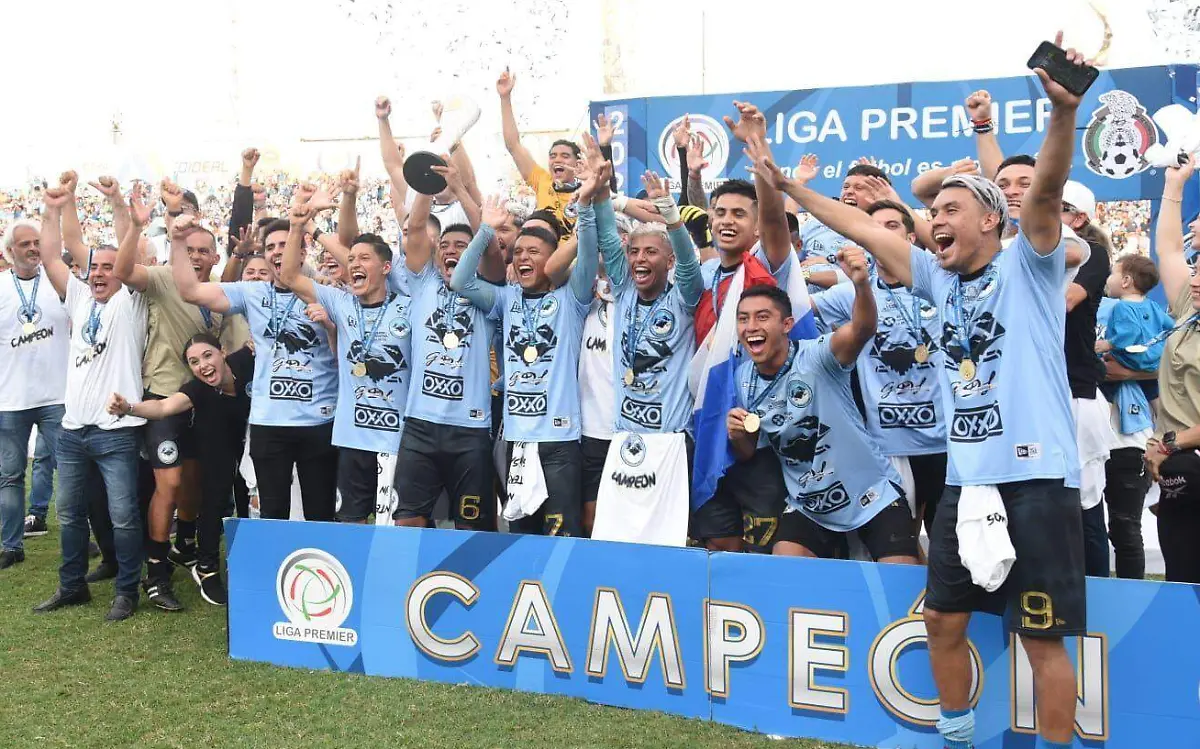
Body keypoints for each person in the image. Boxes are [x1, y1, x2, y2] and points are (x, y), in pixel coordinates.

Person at [764, 34, 1089, 748]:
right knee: (941, 621)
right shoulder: (936, 277)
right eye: (931, 209)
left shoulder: (1027, 266)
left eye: (950, 208)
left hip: (1035, 483)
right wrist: (787, 186)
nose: (934, 218)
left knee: (1040, 642)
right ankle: (956, 736)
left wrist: (1061, 115)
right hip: (965, 487)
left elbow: (1046, 189)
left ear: (991, 222)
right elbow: (851, 222)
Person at [450, 165, 603, 537]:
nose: (523, 258)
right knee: (521, 536)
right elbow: (460, 280)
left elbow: (587, 250)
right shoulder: (505, 299)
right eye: (518, 251)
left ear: (552, 261)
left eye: (534, 252)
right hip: (518, 440)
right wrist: (485, 228)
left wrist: (583, 206)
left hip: (561, 442)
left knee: (562, 538)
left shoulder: (572, 298)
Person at [730, 267, 918, 563]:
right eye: (743, 318)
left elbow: (862, 329)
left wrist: (861, 284)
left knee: (903, 581)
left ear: (787, 324)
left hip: (871, 493)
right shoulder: (743, 378)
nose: (751, 326)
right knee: (785, 568)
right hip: (809, 504)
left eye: (762, 317)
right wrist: (739, 435)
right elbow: (748, 452)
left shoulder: (818, 356)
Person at [173, 214, 340, 522]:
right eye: (271, 246)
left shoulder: (326, 294)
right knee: (272, 515)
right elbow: (190, 291)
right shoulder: (252, 292)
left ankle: (318, 572)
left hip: (319, 420)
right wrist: (177, 241)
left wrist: (330, 326)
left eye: (285, 244)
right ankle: (273, 570)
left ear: (302, 252)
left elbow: (344, 352)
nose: (278, 251)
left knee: (321, 515)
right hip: (269, 421)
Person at [32, 187, 148, 622]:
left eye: (107, 267)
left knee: (122, 516)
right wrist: (55, 206)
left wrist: (127, 215)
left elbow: (128, 260)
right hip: (73, 429)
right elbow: (50, 255)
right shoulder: (80, 298)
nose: (99, 273)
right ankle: (72, 585)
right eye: (93, 267)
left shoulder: (131, 302)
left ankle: (127, 591)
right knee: (69, 513)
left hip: (115, 431)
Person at [112, 184, 227, 611]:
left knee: (194, 483)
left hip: (200, 403)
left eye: (204, 251)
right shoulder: (161, 278)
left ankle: (185, 546)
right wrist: (137, 226)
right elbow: (124, 271)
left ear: (215, 258)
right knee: (171, 483)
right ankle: (156, 574)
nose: (196, 257)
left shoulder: (220, 296)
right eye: (189, 249)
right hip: (162, 396)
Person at [811, 201, 948, 536]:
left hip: (947, 442)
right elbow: (792, 311)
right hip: (888, 444)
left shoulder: (943, 282)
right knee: (901, 541)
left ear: (912, 237)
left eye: (891, 227)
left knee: (951, 544)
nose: (881, 235)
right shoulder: (851, 293)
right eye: (873, 229)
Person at [585, 162, 702, 545]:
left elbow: (688, 263)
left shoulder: (683, 299)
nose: (638, 259)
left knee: (668, 542)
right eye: (634, 251)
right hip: (624, 440)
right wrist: (602, 194)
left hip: (669, 444)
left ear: (666, 262)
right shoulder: (622, 291)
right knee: (616, 540)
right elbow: (607, 237)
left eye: (651, 252)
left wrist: (671, 217)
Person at [279, 197, 411, 524]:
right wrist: (297, 227)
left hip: (398, 439)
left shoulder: (409, 305)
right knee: (350, 522)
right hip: (352, 438)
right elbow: (290, 275)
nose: (354, 264)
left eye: (364, 258)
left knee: (399, 526)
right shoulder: (341, 301)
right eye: (350, 259)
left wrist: (320, 230)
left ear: (386, 268)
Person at [393, 156, 504, 531]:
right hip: (419, 426)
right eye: (446, 244)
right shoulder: (421, 282)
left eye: (461, 244)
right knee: (408, 518)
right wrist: (424, 181)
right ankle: (413, 585)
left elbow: (489, 249)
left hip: (469, 429)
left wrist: (459, 189)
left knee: (471, 525)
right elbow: (417, 227)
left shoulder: (489, 291)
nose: (452, 249)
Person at [105, 334, 253, 605]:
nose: (203, 365)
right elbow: (163, 407)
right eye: (194, 362)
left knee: (249, 500)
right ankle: (206, 569)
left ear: (223, 352)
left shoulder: (246, 361)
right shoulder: (196, 389)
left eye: (208, 355)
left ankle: (248, 562)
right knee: (215, 500)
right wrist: (128, 407)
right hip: (216, 446)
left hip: (251, 442)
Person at [1142, 154, 1200, 583]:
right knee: (1181, 579)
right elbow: (1169, 248)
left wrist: (1166, 442)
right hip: (1180, 469)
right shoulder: (1187, 309)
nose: (1194, 278)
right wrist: (1175, 186)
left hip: (1179, 454)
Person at [0, 218, 69, 569]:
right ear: (9, 252)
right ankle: (11, 545)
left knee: (71, 470)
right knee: (10, 475)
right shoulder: (0, 288)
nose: (31, 249)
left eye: (36, 243)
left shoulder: (57, 282)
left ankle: (79, 538)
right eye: (24, 244)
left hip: (57, 395)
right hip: (11, 400)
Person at [497, 68, 581, 233]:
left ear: (578, 162)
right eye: (553, 156)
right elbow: (513, 145)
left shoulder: (587, 191)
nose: (557, 160)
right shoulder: (542, 180)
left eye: (565, 156)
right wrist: (505, 98)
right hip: (545, 255)